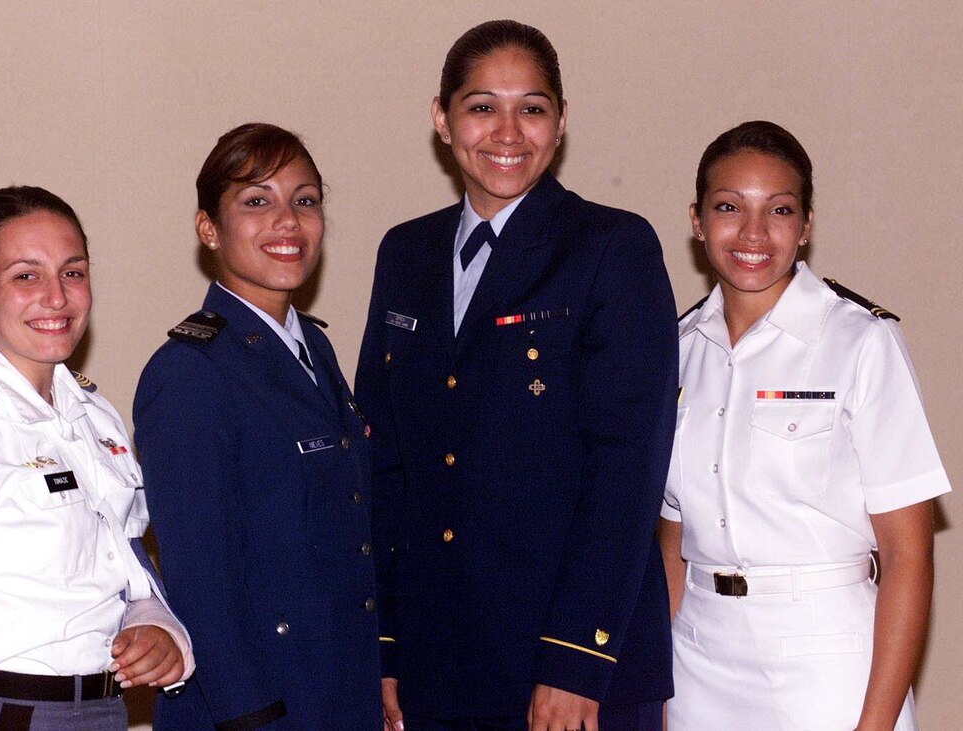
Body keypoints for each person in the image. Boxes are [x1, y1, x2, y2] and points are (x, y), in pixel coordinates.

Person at [355, 20, 678, 731]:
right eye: (481, 107)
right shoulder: (405, 252)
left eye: (531, 107)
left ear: (560, 122)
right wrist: (382, 649)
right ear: (441, 118)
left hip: (566, 669)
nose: (507, 131)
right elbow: (383, 465)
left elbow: (627, 471)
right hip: (436, 662)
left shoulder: (610, 247)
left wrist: (572, 662)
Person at [658, 120, 951, 729]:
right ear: (697, 219)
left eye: (780, 210)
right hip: (698, 665)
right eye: (729, 207)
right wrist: (655, 695)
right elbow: (671, 542)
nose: (753, 232)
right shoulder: (674, 349)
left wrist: (873, 724)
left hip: (827, 661)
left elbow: (907, 555)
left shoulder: (860, 343)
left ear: (807, 225)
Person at [0, 185, 193, 731]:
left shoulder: (94, 416)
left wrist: (154, 623)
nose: (57, 298)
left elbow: (125, 560)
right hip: (13, 713)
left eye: (72, 273)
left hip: (105, 707)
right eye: (26, 275)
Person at [134, 123, 382, 730]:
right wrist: (252, 718)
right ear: (208, 229)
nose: (288, 221)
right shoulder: (190, 371)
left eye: (305, 199)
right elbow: (201, 581)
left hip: (335, 693)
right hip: (254, 708)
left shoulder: (313, 351)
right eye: (256, 201)